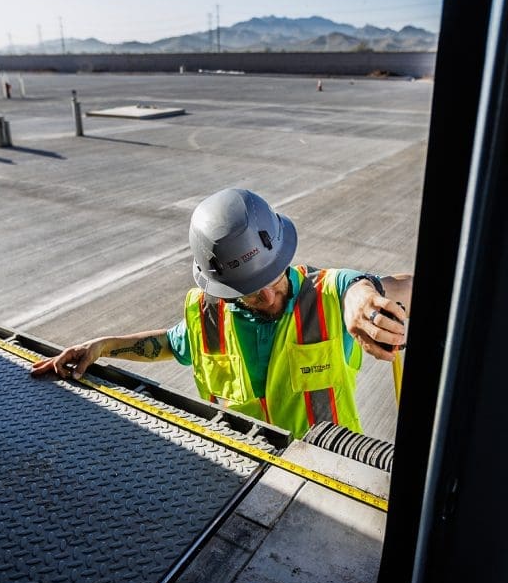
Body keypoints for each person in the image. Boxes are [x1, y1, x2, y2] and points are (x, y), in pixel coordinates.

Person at [30, 188, 412, 439]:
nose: (267, 293)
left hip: (329, 471)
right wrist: (102, 346)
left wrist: (365, 294)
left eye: (273, 274)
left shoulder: (328, 293)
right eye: (249, 289)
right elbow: (170, 343)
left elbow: (388, 286)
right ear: (224, 290)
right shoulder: (206, 316)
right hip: (246, 471)